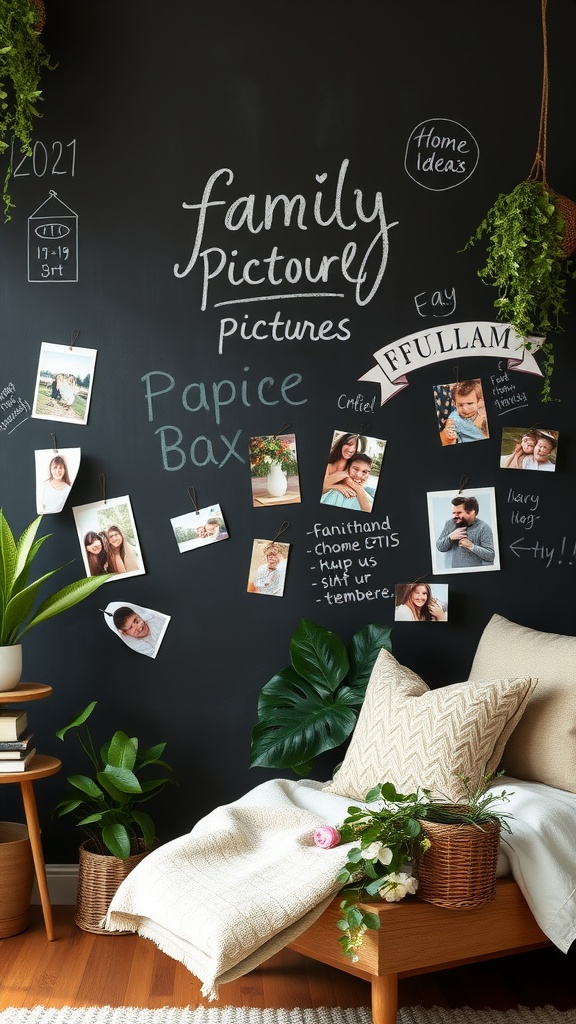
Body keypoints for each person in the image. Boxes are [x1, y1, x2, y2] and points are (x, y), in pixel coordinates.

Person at [436, 495, 495, 569]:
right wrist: (450, 537)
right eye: (453, 513)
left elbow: (491, 555)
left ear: (471, 512)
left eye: (459, 513)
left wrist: (471, 546)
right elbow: (440, 547)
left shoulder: (483, 527)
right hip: (454, 572)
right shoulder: (450, 523)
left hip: (476, 573)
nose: (455, 516)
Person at [439, 380, 488, 444]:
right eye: (460, 405)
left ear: (478, 402)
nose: (465, 409)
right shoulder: (454, 418)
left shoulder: (481, 413)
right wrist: (449, 435)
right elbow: (449, 426)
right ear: (454, 403)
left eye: (469, 403)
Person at [321, 432, 366, 498]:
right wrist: (335, 486)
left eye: (356, 448)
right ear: (341, 444)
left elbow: (357, 491)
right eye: (349, 444)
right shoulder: (328, 464)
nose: (351, 450)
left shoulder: (353, 471)